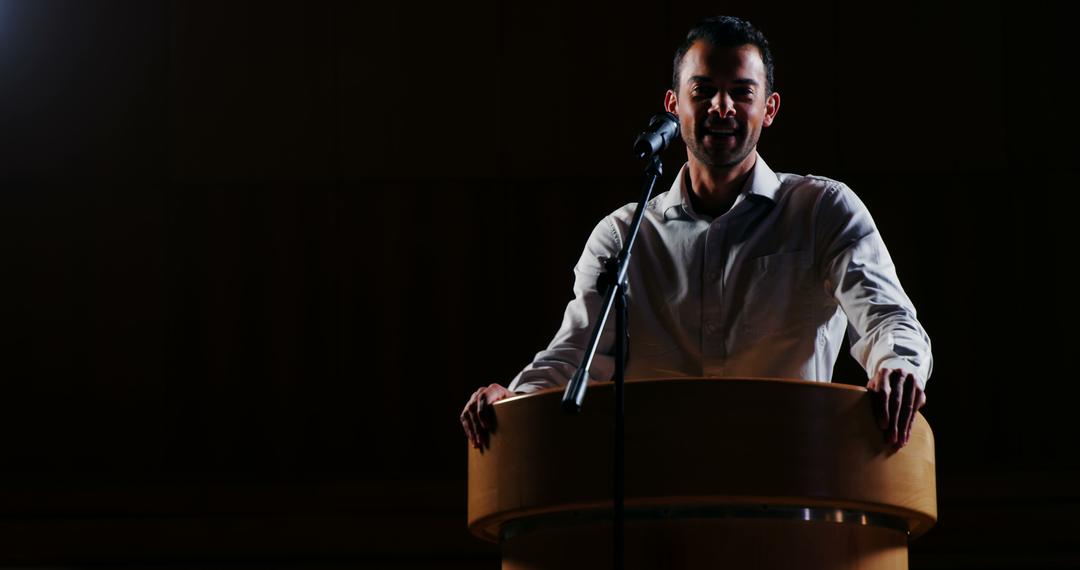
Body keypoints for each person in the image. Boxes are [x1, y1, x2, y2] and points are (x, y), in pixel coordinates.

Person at [460, 16, 931, 451]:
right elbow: (575, 353)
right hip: (659, 487)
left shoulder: (823, 211)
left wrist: (897, 366)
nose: (721, 107)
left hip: (792, 473)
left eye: (741, 92)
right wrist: (514, 399)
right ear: (673, 104)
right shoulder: (622, 235)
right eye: (703, 90)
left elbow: (889, 318)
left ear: (769, 109)